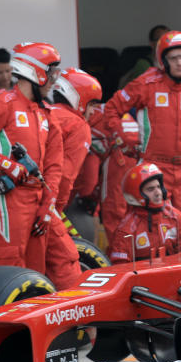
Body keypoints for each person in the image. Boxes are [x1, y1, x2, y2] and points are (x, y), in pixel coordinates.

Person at [0, 42, 63, 273]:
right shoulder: (2, 103)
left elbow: (55, 165)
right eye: (50, 73)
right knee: (11, 269)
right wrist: (7, 164)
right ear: (33, 72)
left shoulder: (47, 112)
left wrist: (49, 203)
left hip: (38, 198)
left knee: (37, 271)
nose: (54, 80)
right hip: (8, 197)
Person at [104, 30, 181, 221]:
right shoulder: (146, 83)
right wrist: (124, 137)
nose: (179, 63)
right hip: (153, 168)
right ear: (163, 60)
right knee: (155, 228)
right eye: (173, 58)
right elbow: (111, 109)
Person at [40, 68, 102, 289]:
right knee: (67, 261)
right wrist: (56, 209)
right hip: (46, 205)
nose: (94, 111)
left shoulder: (42, 111)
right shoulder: (78, 126)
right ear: (79, 98)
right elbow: (65, 177)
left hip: (17, 201)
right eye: (92, 103)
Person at [108, 162, 181, 263]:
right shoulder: (126, 230)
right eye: (151, 189)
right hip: (143, 277)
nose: (158, 193)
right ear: (136, 193)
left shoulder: (174, 216)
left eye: (158, 187)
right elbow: (120, 268)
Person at [118, 24, 169, 88]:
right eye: (160, 39)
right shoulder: (144, 64)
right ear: (152, 44)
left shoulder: (177, 62)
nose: (164, 42)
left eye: (167, 39)